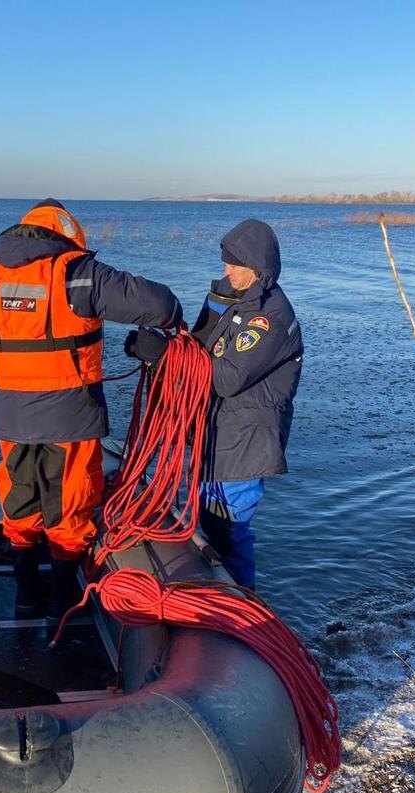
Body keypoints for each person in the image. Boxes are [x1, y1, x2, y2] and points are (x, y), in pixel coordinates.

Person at [0, 199, 182, 619]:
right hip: (71, 415)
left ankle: (26, 597)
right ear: (68, 236)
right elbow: (160, 305)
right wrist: (176, 317)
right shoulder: (80, 274)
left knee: (20, 499)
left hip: (14, 417)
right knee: (70, 506)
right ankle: (60, 605)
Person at [125, 219, 302, 589]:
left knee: (229, 530)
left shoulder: (272, 317)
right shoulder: (225, 299)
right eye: (226, 262)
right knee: (208, 521)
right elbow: (196, 351)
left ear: (257, 267)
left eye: (235, 264)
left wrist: (164, 357)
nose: (227, 270)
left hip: (243, 445)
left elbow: (226, 377)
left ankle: (243, 605)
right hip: (211, 435)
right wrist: (159, 351)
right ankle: (220, 595)